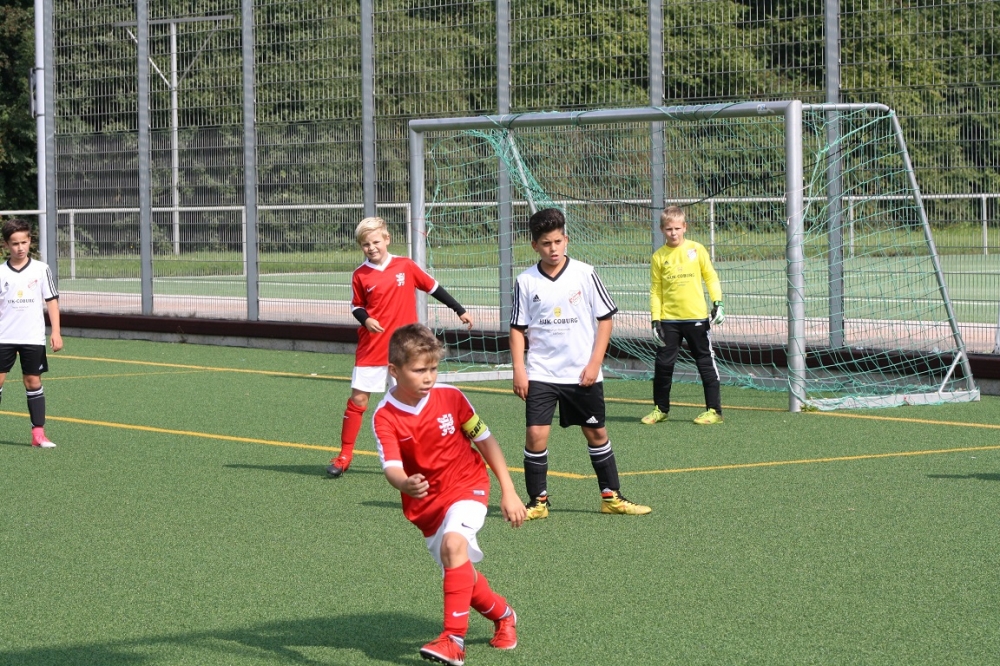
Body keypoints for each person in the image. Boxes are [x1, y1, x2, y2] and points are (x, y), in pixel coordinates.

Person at [373, 323, 524, 666]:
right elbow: (391, 467)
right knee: (460, 574)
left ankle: (453, 640)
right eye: (419, 370)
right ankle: (504, 615)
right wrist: (404, 483)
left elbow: (485, 440)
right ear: (394, 371)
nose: (428, 377)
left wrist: (509, 490)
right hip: (427, 507)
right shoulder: (385, 417)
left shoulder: (452, 397)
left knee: (453, 546)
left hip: (468, 484)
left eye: (433, 368)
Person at [509, 208, 651, 520]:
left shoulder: (585, 274)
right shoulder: (525, 281)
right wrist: (519, 369)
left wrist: (595, 362)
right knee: (535, 435)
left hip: (581, 373)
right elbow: (517, 329)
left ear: (567, 239)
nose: (553, 248)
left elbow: (605, 319)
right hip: (542, 372)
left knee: (596, 433)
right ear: (535, 246)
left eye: (558, 241)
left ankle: (611, 497)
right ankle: (538, 502)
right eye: (546, 243)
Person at [326, 216, 473, 478]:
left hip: (404, 350)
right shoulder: (360, 274)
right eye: (365, 244)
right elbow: (356, 305)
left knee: (414, 400)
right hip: (372, 348)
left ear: (387, 239)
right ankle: (344, 455)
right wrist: (366, 319)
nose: (371, 248)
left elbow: (433, 287)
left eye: (375, 242)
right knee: (358, 400)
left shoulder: (405, 265)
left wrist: (459, 309)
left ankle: (425, 455)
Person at [643, 205, 725, 426]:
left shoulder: (697, 249)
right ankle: (661, 409)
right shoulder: (658, 257)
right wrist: (655, 319)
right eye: (669, 229)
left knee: (705, 362)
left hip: (696, 318)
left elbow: (711, 277)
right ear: (662, 229)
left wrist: (717, 302)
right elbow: (656, 290)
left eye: (677, 228)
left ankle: (714, 411)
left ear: (685, 227)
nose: (673, 233)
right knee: (663, 365)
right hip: (669, 320)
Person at [0, 218, 62, 448]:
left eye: (24, 242)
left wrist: (56, 332)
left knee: (33, 381)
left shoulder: (41, 269)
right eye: (15, 243)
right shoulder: (1, 272)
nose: (20, 248)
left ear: (30, 241)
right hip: (4, 337)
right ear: (6, 245)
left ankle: (38, 434)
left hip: (32, 337)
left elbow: (52, 301)